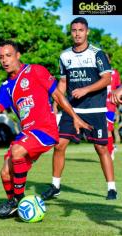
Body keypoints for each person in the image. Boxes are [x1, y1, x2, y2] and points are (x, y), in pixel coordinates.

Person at [0, 40, 91, 218]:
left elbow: (58, 96)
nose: (4, 60)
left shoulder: (35, 70)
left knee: (17, 150)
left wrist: (75, 117)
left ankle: (18, 200)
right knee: (5, 172)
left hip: (45, 129)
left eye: (8, 55)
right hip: (27, 133)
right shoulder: (6, 87)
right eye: (1, 57)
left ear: (18, 55)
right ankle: (14, 206)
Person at [41, 17, 117, 201]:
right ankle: (55, 186)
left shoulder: (97, 54)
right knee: (59, 145)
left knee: (101, 148)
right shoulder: (64, 55)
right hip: (72, 110)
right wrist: (55, 102)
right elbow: (63, 81)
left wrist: (85, 89)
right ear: (71, 32)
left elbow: (107, 79)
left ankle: (111, 188)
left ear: (87, 32)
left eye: (80, 30)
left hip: (95, 110)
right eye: (74, 30)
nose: (77, 33)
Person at [105, 54, 121, 160]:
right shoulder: (96, 72)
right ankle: (110, 147)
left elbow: (119, 87)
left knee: (108, 129)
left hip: (110, 104)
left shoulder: (114, 73)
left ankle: (110, 151)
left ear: (110, 60)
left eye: (106, 58)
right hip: (97, 104)